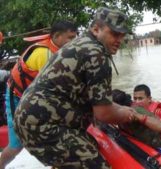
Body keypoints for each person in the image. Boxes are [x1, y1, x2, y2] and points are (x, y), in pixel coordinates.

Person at [13, 7, 136, 169]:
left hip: (30, 121)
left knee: (89, 145)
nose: (119, 39)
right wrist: (131, 115)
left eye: (122, 35)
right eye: (114, 33)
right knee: (96, 164)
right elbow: (104, 113)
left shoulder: (81, 43)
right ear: (96, 29)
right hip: (43, 126)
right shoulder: (96, 54)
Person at [0, 21, 77, 169]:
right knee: (16, 145)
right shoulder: (45, 54)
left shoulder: (57, 48)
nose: (74, 42)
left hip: (33, 94)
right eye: (70, 38)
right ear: (56, 36)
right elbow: (52, 89)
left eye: (75, 37)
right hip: (17, 96)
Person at [113, 89, 161, 165]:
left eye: (140, 98)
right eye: (135, 98)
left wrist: (138, 116)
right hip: (150, 146)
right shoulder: (116, 116)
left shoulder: (135, 111)